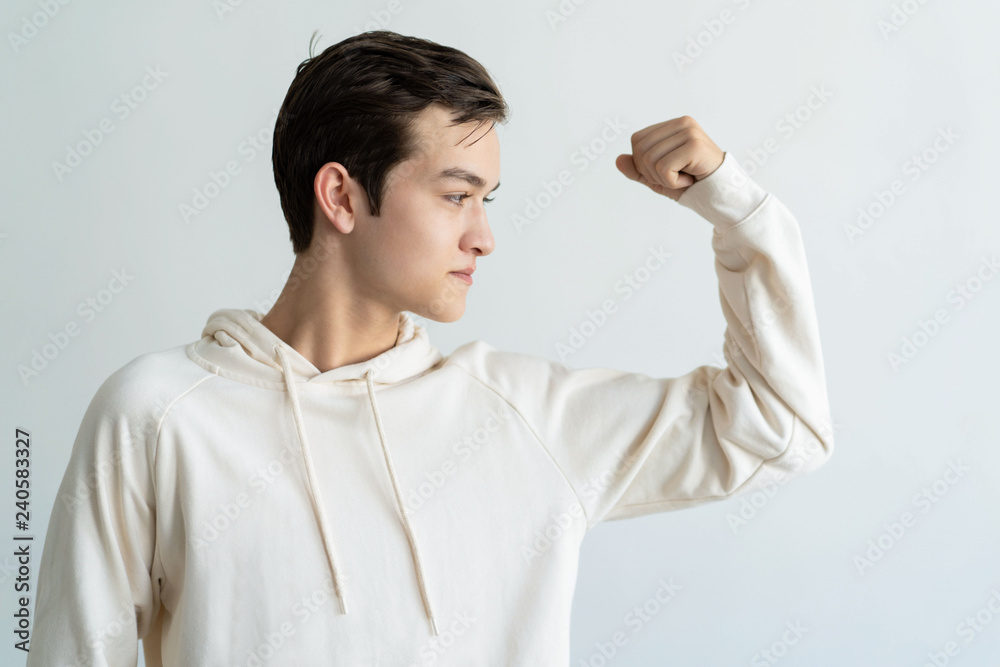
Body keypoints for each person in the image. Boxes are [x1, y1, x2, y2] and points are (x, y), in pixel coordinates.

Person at [28, 29, 835, 666]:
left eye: (486, 200)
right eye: (456, 196)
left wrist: (739, 211)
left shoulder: (527, 418)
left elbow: (781, 424)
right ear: (341, 195)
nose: (483, 237)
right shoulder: (156, 416)